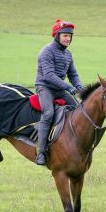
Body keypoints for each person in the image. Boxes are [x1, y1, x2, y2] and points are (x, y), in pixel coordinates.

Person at [34, 19, 83, 166]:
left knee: (79, 109)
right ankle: (41, 153)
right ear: (57, 35)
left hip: (59, 89)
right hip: (45, 87)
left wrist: (79, 85)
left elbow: (73, 74)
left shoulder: (68, 55)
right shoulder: (46, 52)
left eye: (70, 36)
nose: (68, 38)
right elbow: (49, 76)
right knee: (48, 113)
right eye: (65, 35)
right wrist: (68, 87)